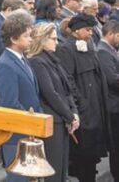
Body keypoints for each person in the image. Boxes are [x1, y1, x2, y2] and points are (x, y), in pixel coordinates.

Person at [57, 13, 111, 182]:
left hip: (96, 106)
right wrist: (81, 103)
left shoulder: (88, 45)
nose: (90, 33)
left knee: (92, 154)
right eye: (88, 30)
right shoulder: (66, 49)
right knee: (84, 154)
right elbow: (68, 80)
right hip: (85, 109)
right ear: (77, 30)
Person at [0, 9, 42, 182]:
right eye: (27, 36)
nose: (31, 39)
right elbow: (9, 103)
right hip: (17, 135)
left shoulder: (21, 58)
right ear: (14, 39)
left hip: (29, 131)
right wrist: (31, 121)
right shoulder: (5, 64)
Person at [28, 23, 79, 182]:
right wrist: (69, 115)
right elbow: (50, 93)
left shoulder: (54, 60)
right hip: (52, 120)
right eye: (53, 39)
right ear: (42, 40)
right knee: (54, 169)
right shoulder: (37, 62)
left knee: (62, 168)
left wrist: (73, 113)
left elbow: (66, 89)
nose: (57, 42)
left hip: (62, 119)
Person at [97, 20, 119, 181]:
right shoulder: (103, 52)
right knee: (116, 147)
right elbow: (112, 80)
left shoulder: (110, 49)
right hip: (114, 106)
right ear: (110, 33)